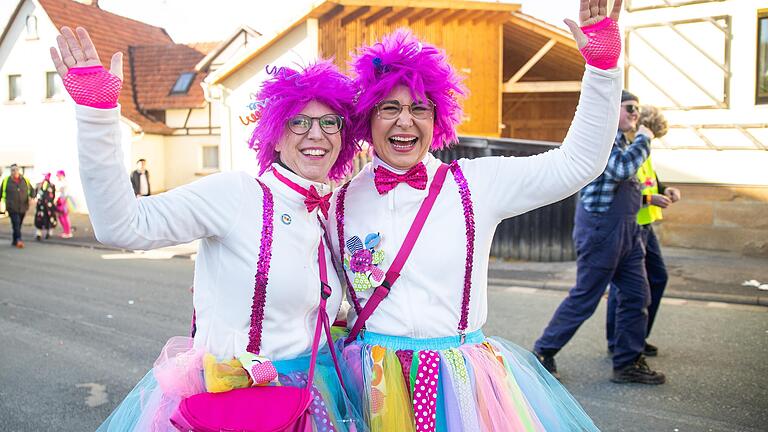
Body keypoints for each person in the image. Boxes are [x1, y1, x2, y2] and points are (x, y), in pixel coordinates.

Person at [51, 26, 365, 431]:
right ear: (275, 134)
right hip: (235, 404)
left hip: (311, 399)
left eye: (330, 122)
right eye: (299, 122)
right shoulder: (236, 193)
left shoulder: (325, 213)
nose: (316, 134)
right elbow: (121, 225)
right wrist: (96, 113)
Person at [329, 1, 624, 430]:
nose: (404, 122)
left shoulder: (476, 184)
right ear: (367, 118)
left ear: (438, 118)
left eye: (419, 108)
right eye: (389, 108)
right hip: (367, 386)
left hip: (459, 387)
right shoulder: (338, 204)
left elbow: (577, 164)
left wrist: (602, 71)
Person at [534, 89, 666, 385]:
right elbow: (621, 169)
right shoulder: (601, 141)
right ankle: (543, 351)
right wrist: (645, 137)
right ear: (611, 111)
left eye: (637, 109)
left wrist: (651, 197)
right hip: (601, 232)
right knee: (586, 297)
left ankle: (628, 362)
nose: (635, 113)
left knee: (636, 295)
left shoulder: (622, 141)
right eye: (629, 108)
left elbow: (624, 187)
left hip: (628, 232)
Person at [606, 104, 680, 357]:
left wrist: (665, 189)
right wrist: (650, 200)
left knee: (657, 278)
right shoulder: (625, 146)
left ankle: (634, 336)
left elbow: (649, 178)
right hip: (629, 222)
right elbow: (623, 185)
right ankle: (620, 341)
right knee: (624, 286)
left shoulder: (643, 145)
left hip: (645, 223)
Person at [1, 164, 34, 248]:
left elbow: (32, 190)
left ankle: (14, 239)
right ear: (10, 171)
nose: (15, 171)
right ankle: (19, 240)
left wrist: (31, 197)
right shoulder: (6, 181)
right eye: (13, 170)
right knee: (16, 223)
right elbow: (1, 193)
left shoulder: (25, 180)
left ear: (19, 171)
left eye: (16, 170)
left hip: (23, 206)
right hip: (12, 207)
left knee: (18, 224)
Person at [34, 172, 58, 241]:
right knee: (39, 219)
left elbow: (53, 195)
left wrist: (50, 202)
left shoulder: (52, 185)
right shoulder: (38, 185)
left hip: (49, 206)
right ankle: (38, 233)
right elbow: (35, 194)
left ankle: (49, 232)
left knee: (49, 218)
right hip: (40, 206)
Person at [54, 169, 74, 238]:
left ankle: (68, 232)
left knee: (64, 216)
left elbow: (65, 194)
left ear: (61, 175)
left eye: (58, 175)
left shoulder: (64, 183)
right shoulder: (62, 182)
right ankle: (65, 231)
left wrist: (64, 202)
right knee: (60, 216)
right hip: (61, 200)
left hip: (63, 201)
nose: (57, 177)